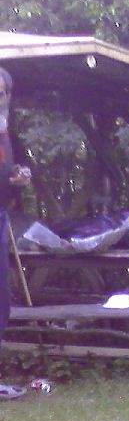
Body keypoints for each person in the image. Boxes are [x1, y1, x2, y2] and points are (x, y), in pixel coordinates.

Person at [0, 67, 33, 342]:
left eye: (2, 93)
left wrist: (20, 175)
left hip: (1, 215)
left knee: (2, 299)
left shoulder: (5, 131)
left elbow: (18, 164)